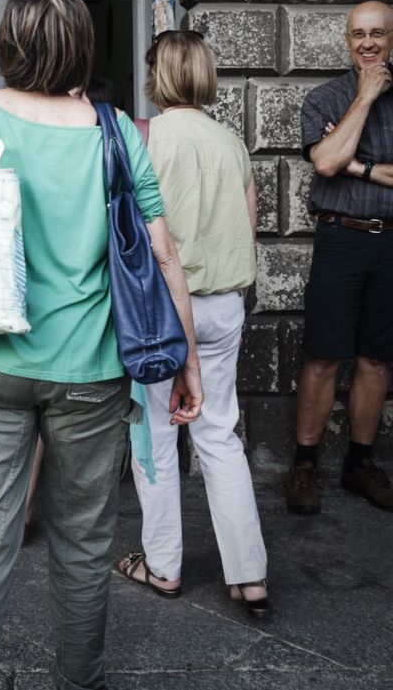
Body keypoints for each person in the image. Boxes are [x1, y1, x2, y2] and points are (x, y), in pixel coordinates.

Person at [0, 0, 202, 690]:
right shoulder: (116, 129)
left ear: (10, 42)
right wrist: (184, 361)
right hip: (90, 371)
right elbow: (163, 252)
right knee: (85, 548)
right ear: (81, 45)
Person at [116, 30, 269, 617]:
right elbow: (249, 231)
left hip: (161, 310)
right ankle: (249, 576)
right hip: (225, 304)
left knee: (153, 434)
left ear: (158, 75)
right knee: (218, 434)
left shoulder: (143, 136)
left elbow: (134, 236)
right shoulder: (232, 142)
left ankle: (164, 565)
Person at [287, 0, 393, 515]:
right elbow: (325, 161)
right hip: (341, 238)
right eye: (359, 35)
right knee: (324, 355)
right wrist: (367, 96)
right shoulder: (325, 98)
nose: (368, 43)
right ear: (346, 40)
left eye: (378, 34)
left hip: (390, 241)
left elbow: (337, 159)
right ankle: (305, 465)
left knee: (376, 357)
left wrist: (354, 163)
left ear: (392, 38)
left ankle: (359, 465)